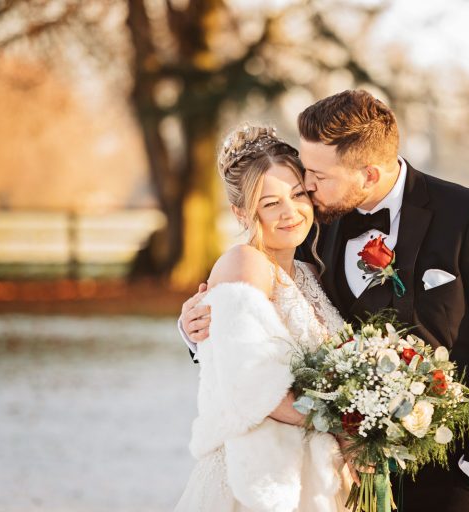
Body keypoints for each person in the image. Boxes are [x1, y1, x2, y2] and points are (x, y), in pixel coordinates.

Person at [181, 90, 469, 512]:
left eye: (316, 176)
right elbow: (256, 310)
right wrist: (198, 330)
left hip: (452, 470)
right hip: (338, 475)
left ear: (369, 174)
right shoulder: (314, 218)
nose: (307, 186)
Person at [174, 125, 354, 512]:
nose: (291, 212)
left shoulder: (309, 272)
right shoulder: (245, 263)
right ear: (242, 213)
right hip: (260, 478)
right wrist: (347, 428)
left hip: (317, 476)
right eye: (271, 203)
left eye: (298, 194)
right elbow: (255, 388)